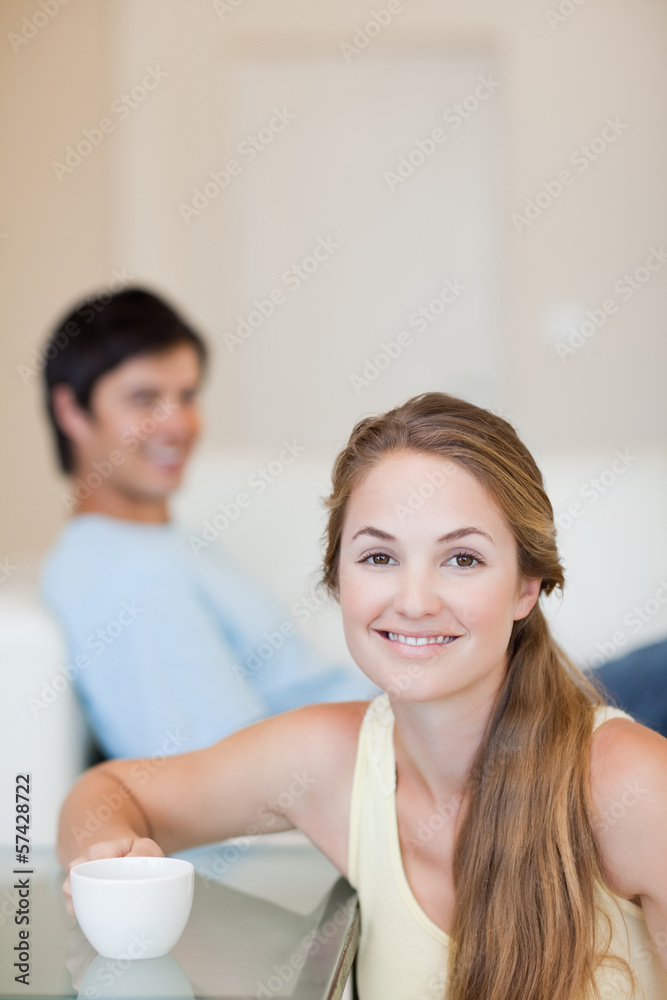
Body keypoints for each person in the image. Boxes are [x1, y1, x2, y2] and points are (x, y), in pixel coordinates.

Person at [58, 393, 667, 999]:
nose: (414, 600)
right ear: (338, 578)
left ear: (525, 589)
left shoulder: (634, 789)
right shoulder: (326, 759)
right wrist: (109, 868)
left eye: (462, 558)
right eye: (379, 556)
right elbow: (108, 792)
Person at [40, 286, 374, 760]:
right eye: (144, 398)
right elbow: (224, 794)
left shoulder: (163, 546)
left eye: (187, 395)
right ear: (70, 410)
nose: (178, 425)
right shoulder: (128, 578)